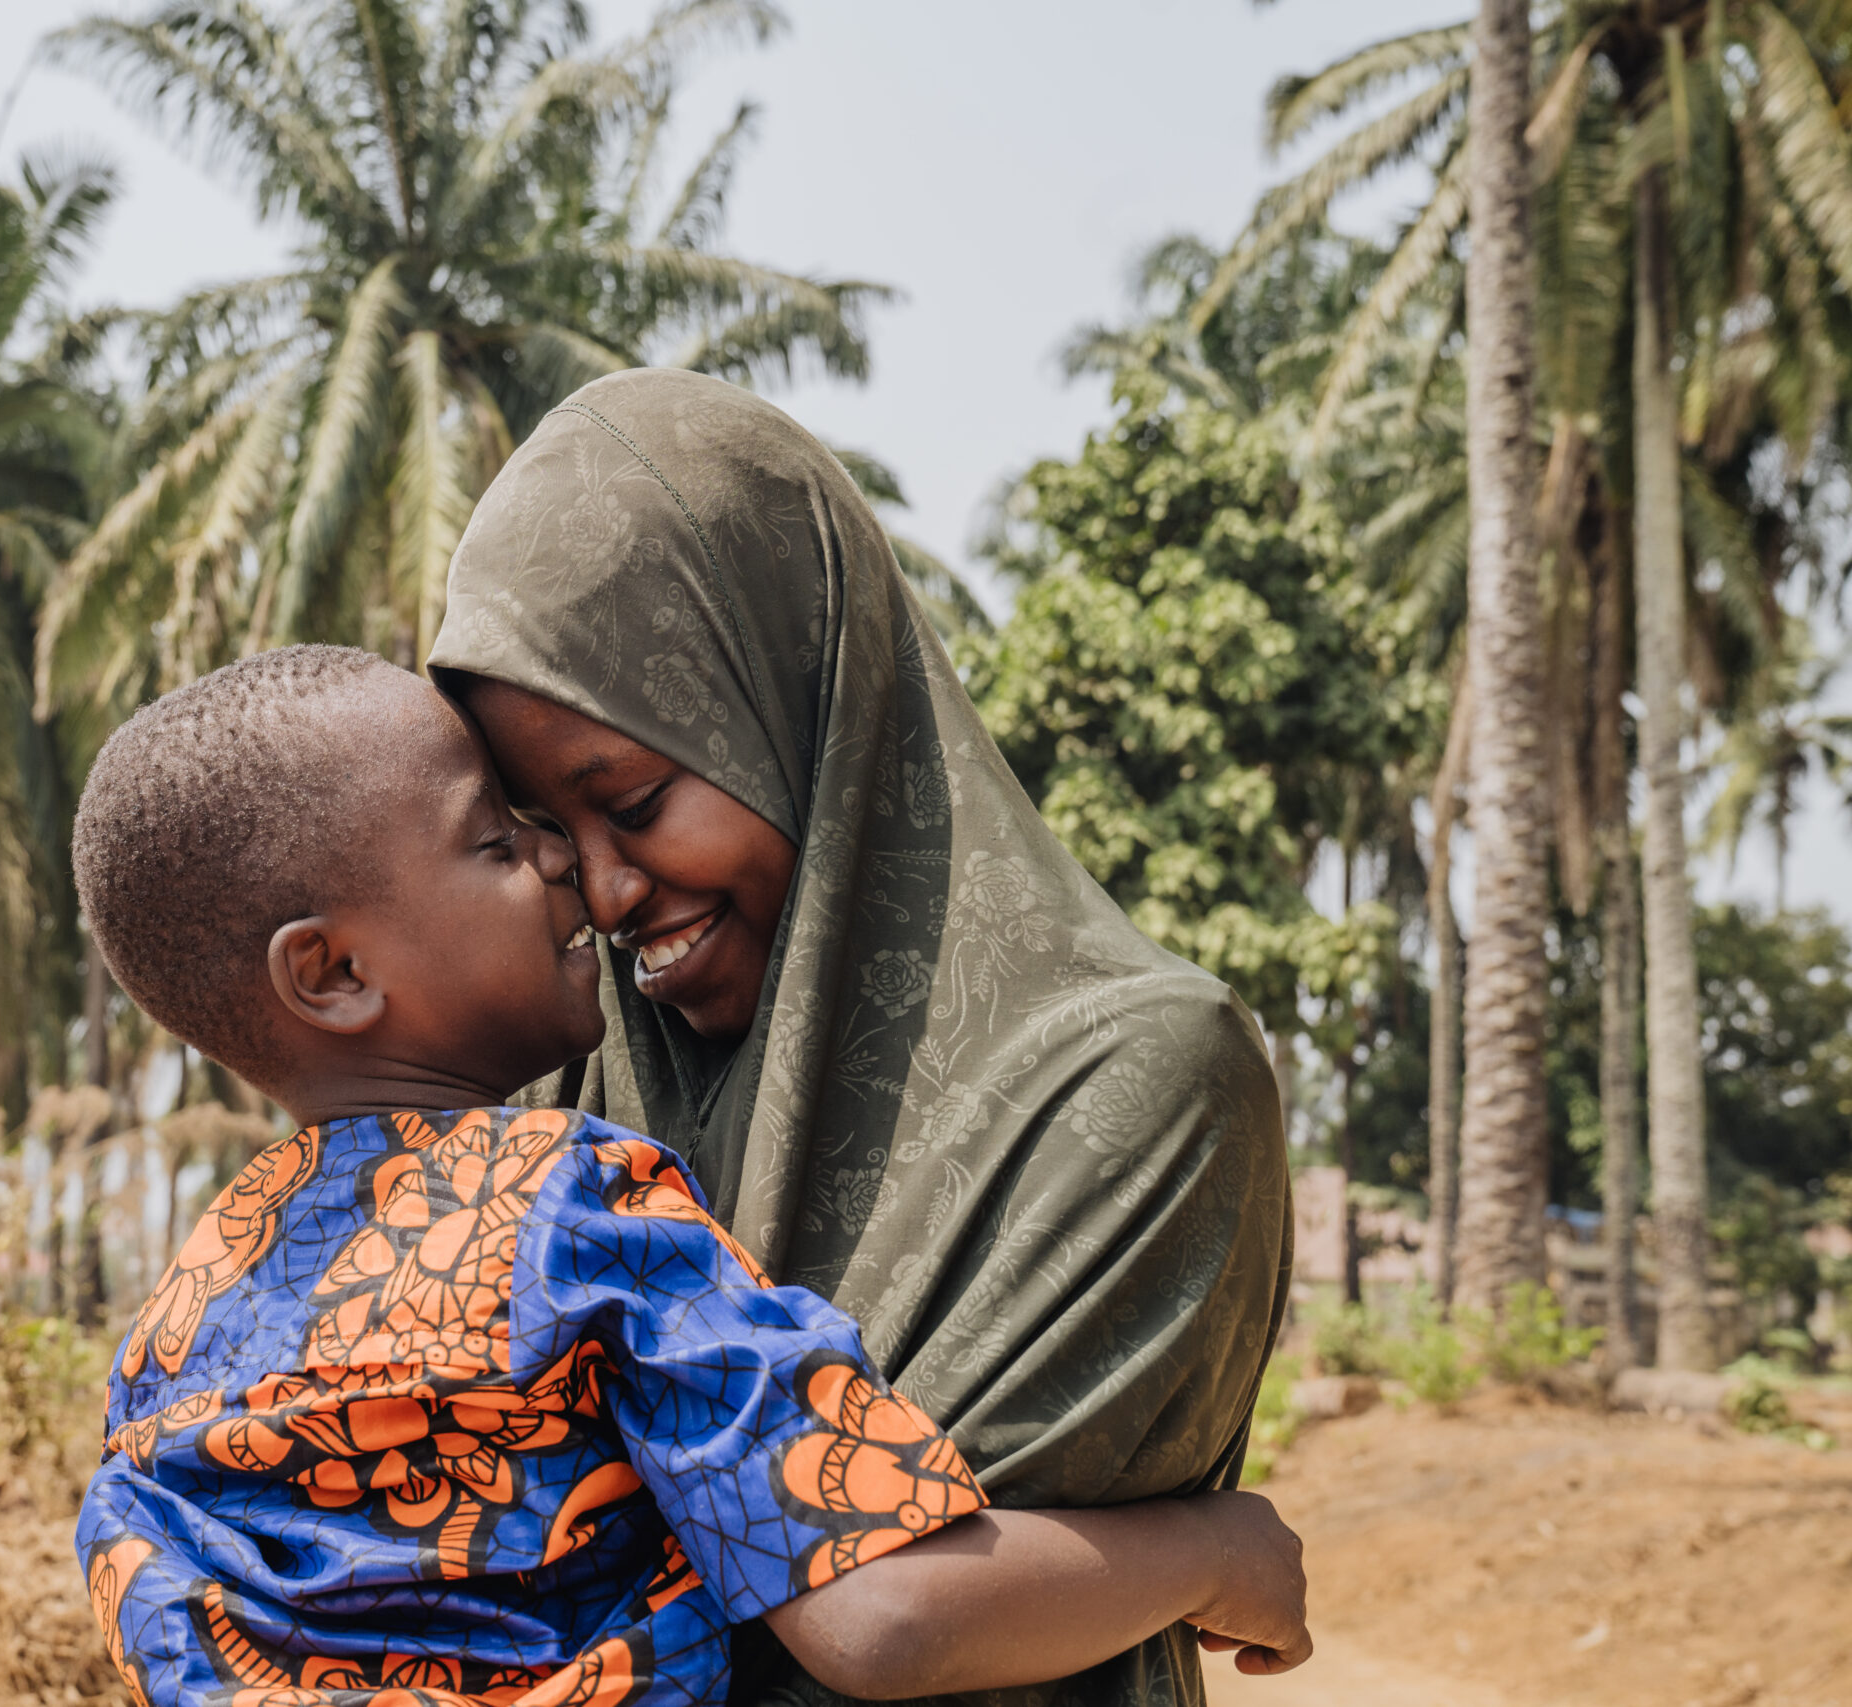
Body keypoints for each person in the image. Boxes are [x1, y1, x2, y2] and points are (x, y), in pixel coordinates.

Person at [69, 646, 1309, 1707]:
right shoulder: (575, 1214)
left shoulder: (178, 1326)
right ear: (332, 973)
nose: (571, 868)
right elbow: (879, 1621)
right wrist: (1210, 1550)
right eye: (500, 840)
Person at [427, 368, 1294, 1707]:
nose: (603, 894)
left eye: (638, 800)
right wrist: (1205, 1553)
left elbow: (890, 1614)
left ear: (797, 704)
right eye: (547, 833)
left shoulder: (1129, 1089)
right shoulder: (563, 1078)